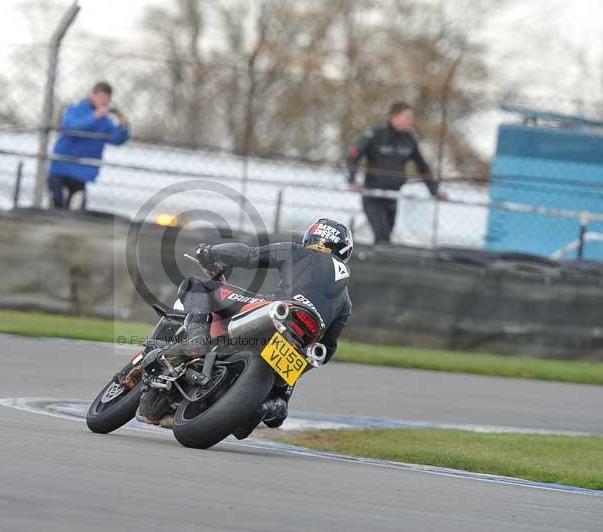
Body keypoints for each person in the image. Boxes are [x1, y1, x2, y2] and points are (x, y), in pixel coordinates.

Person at [139, 218, 354, 434]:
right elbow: (328, 349)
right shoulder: (345, 301)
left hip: (278, 309)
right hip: (305, 337)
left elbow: (248, 255)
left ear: (312, 237)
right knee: (279, 408)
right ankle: (268, 405)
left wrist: (210, 251)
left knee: (197, 286)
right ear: (344, 251)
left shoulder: (297, 251)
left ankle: (196, 341)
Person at [346, 101, 447, 244]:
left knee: (386, 236)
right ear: (394, 116)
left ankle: (379, 261)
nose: (410, 121)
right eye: (407, 117)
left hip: (393, 196)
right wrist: (352, 181)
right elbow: (353, 157)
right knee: (382, 237)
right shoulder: (375, 134)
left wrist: (435, 190)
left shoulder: (409, 139)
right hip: (373, 196)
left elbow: (422, 167)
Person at [47, 81, 130, 210]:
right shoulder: (75, 109)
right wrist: (94, 116)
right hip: (61, 170)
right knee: (57, 205)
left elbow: (117, 140)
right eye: (101, 98)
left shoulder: (105, 121)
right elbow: (70, 127)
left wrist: (123, 126)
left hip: (81, 175)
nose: (104, 102)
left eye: (107, 99)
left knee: (78, 210)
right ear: (93, 95)